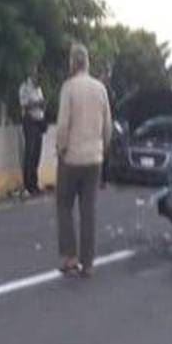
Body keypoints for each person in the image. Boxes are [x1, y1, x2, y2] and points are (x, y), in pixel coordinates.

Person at [55, 43, 112, 277]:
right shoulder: (100, 89)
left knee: (64, 206)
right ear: (87, 63)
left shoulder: (69, 88)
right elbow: (107, 126)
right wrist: (101, 148)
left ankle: (70, 257)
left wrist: (61, 149)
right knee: (88, 210)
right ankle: (88, 264)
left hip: (72, 158)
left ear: (72, 63)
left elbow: (62, 126)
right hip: (94, 158)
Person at [19, 66, 47, 195]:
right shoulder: (25, 88)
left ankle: (34, 184)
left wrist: (42, 105)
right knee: (29, 153)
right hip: (29, 121)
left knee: (37, 154)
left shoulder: (39, 89)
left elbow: (41, 104)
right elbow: (24, 105)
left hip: (39, 121)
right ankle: (27, 185)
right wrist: (37, 104)